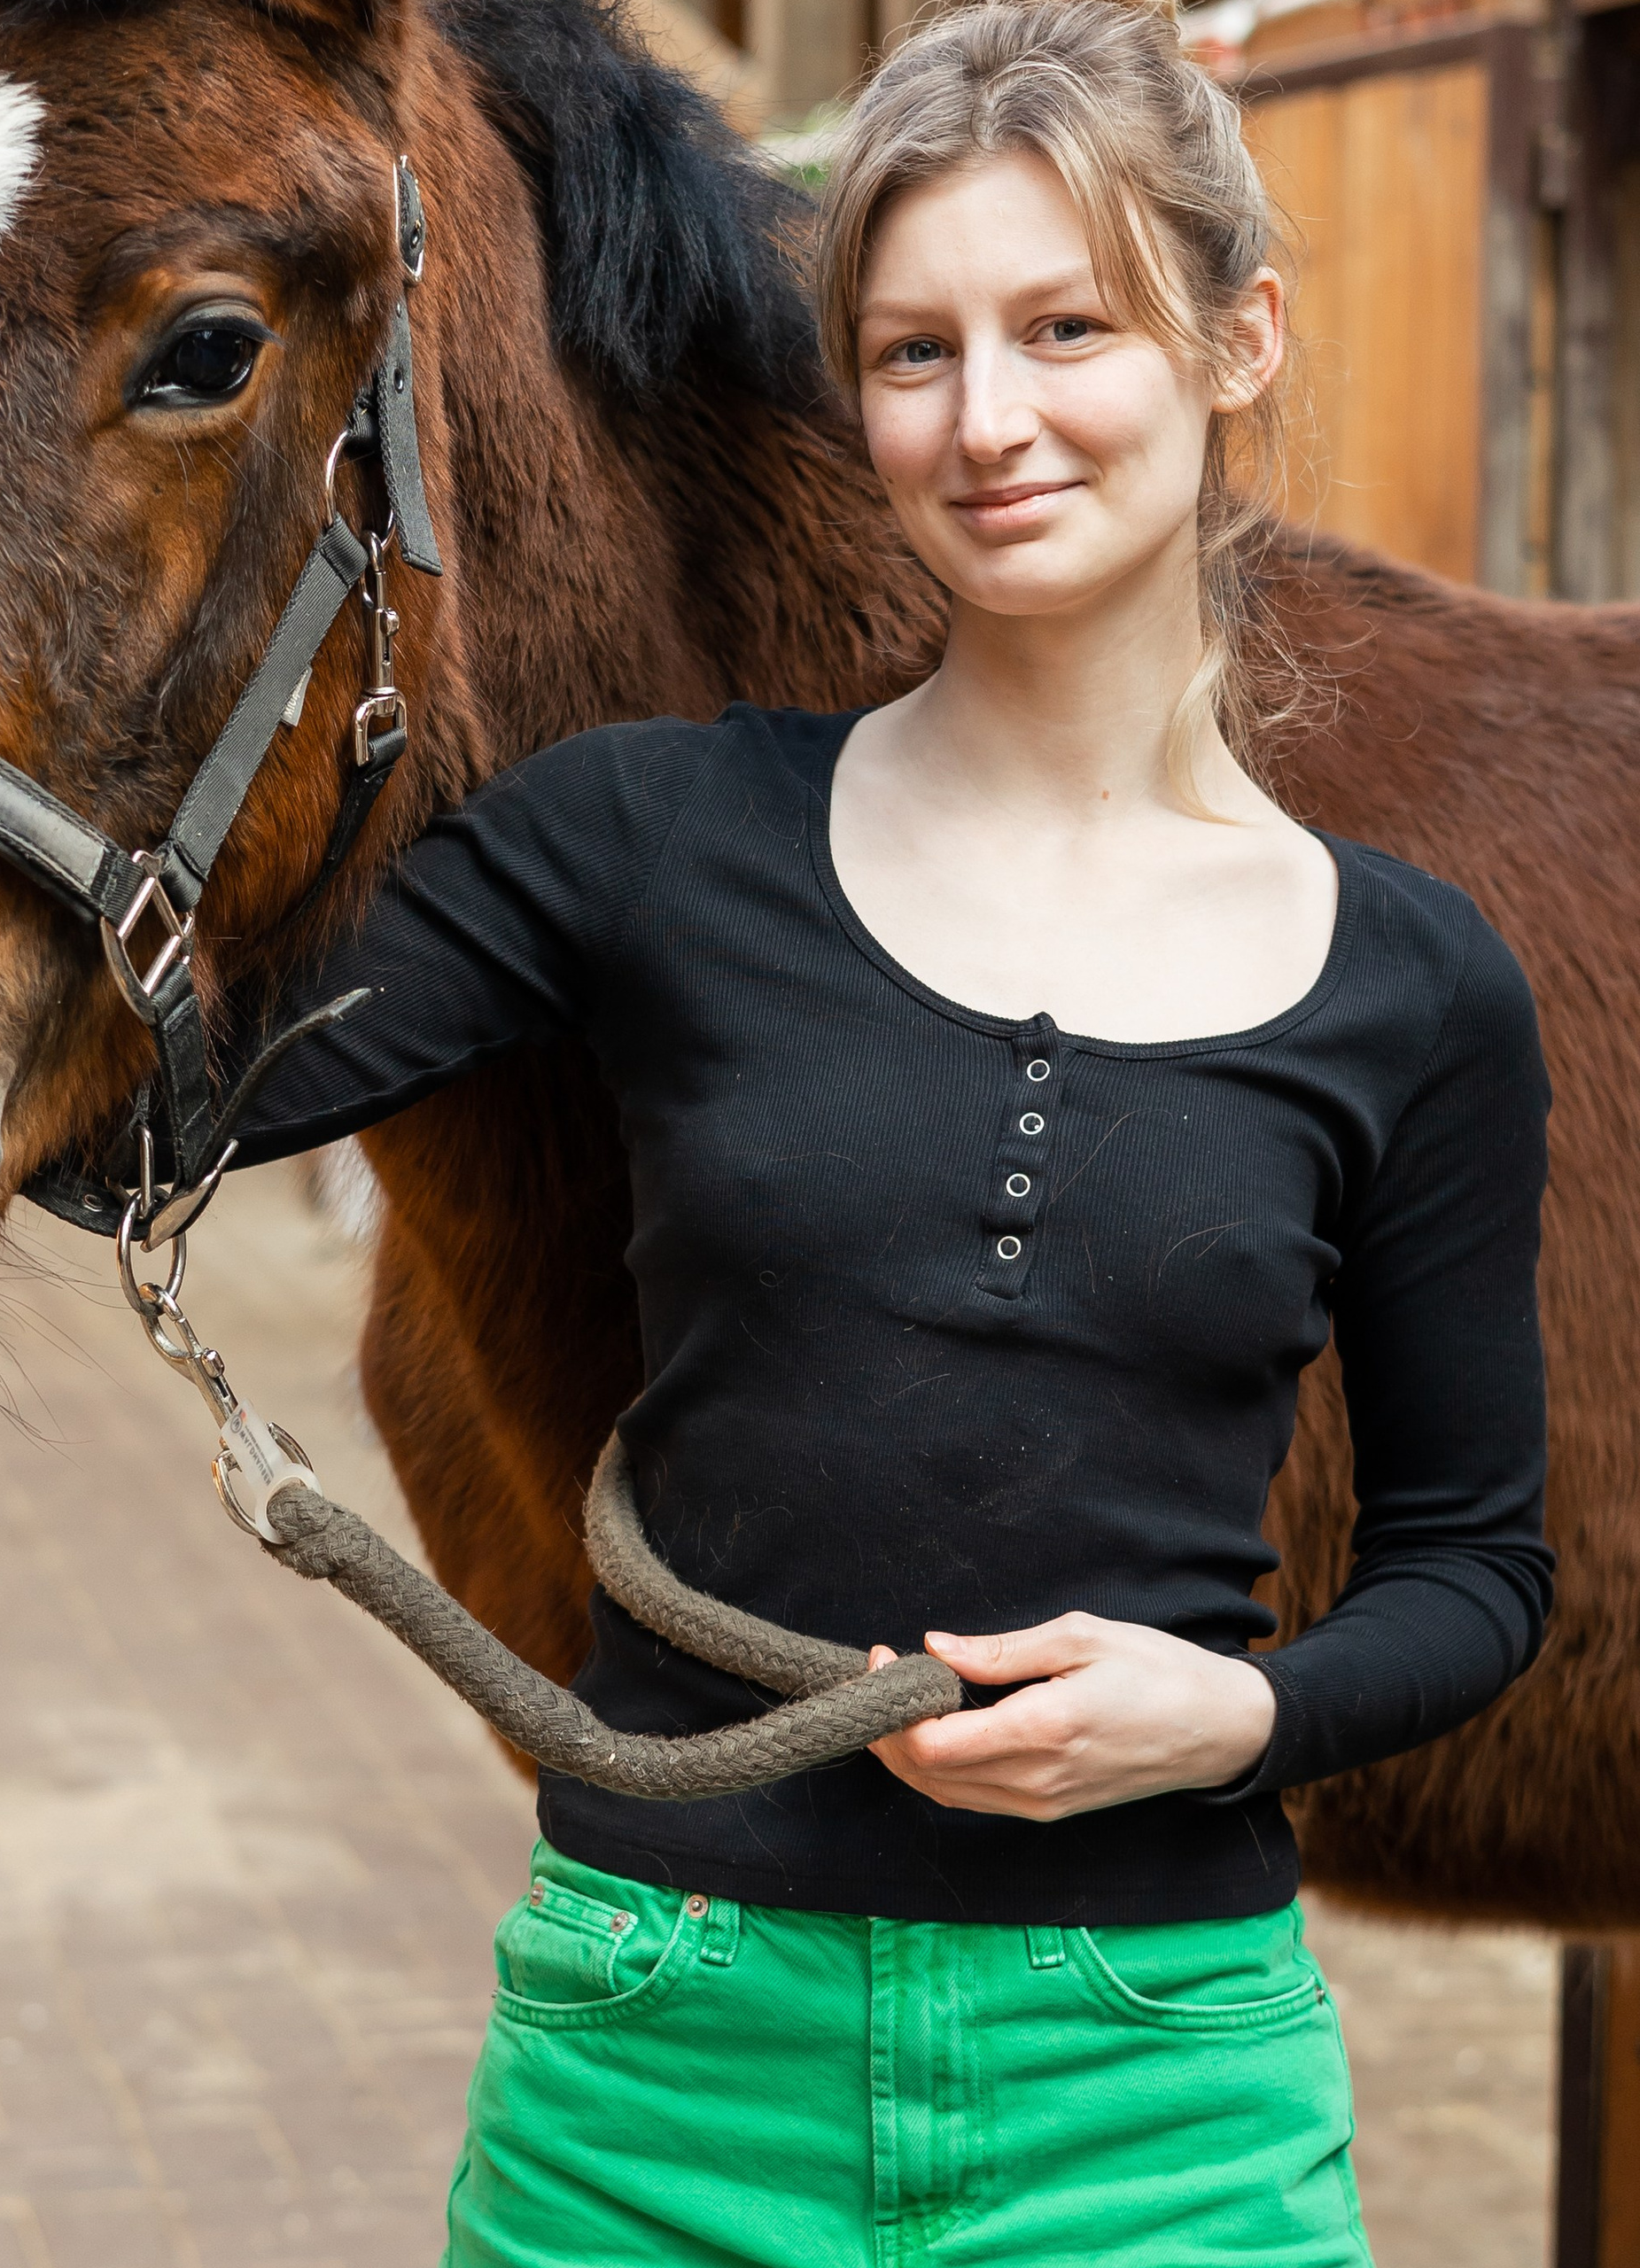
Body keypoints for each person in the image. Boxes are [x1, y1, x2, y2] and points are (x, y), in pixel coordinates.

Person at [220, 2, 1553, 2258]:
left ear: (1235, 344)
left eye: (1063, 328)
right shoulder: (639, 838)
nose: (988, 419)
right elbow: (154, 1096)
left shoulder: (1411, 983)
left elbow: (1472, 1573)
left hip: (1158, 2082)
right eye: (913, 350)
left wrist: (1225, 1710)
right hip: (652, 2059)